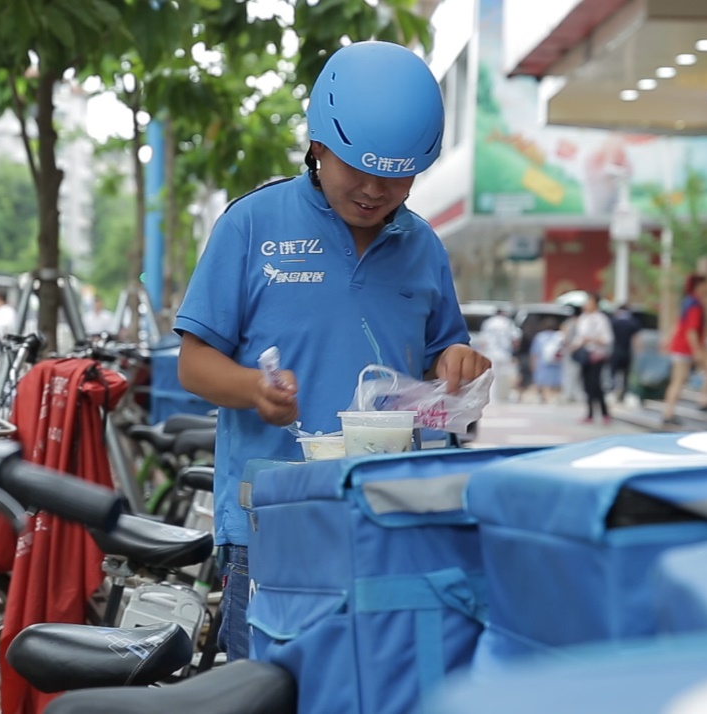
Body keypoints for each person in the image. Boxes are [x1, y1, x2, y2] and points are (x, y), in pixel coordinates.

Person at [173, 41, 491, 661]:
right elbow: (194, 363)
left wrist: (457, 362)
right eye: (358, 170)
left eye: (397, 175)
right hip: (273, 521)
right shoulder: (252, 225)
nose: (375, 191)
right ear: (318, 147)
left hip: (389, 516)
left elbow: (442, 354)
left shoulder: (424, 248)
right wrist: (252, 391)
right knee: (271, 691)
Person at [661, 275, 707, 424]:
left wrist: (668, 340)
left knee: (680, 379)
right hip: (686, 347)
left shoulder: (687, 302)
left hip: (681, 346)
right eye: (706, 284)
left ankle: (700, 401)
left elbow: (678, 324)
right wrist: (696, 351)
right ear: (699, 286)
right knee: (679, 380)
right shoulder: (695, 305)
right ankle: (670, 413)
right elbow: (691, 331)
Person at [571, 292, 613, 424]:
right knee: (586, 385)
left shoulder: (601, 319)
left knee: (596, 385)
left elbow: (607, 339)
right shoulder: (583, 318)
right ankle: (589, 413)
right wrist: (575, 345)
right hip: (584, 355)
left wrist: (592, 339)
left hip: (597, 355)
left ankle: (604, 412)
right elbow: (579, 337)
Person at [608, 304, 642, 402]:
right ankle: (624, 393)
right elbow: (636, 339)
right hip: (627, 351)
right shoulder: (632, 322)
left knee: (613, 373)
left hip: (615, 351)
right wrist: (639, 352)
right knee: (626, 375)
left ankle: (613, 392)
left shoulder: (613, 321)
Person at [530, 317, 565, 403]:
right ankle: (555, 396)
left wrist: (533, 364)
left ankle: (546, 397)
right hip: (556, 362)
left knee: (544, 380)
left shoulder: (539, 337)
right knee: (556, 380)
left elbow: (535, 352)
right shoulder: (559, 336)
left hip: (543, 362)